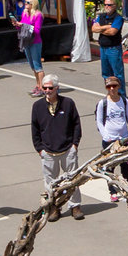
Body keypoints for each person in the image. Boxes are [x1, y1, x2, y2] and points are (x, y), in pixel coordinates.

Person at [31, 74, 84, 221]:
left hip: (68, 149)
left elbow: (76, 124)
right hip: (47, 151)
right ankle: (54, 207)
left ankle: (75, 206)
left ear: (57, 88)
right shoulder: (37, 106)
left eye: (50, 88)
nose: (47, 91)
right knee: (50, 183)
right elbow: (35, 129)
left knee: (72, 180)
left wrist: (75, 144)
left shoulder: (68, 103)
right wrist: (39, 149)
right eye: (45, 88)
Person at [16, 0, 46, 75]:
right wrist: (18, 25)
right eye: (25, 2)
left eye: (27, 2)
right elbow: (21, 28)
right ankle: (38, 85)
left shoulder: (38, 14)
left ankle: (41, 86)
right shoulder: (24, 13)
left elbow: (37, 30)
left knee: (37, 66)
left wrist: (24, 26)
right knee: (32, 66)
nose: (25, 3)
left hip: (35, 41)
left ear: (33, 4)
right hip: (26, 41)